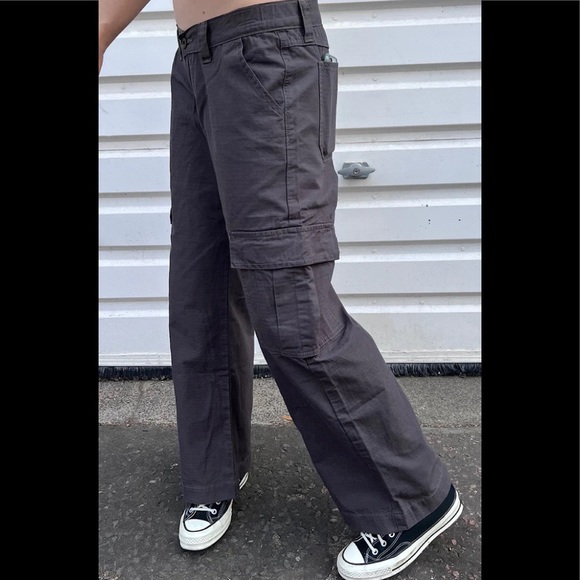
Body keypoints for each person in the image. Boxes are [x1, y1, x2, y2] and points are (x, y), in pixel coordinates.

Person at [99, 1, 464, 578]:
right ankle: (215, 472)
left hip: (266, 49)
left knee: (287, 292)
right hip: (194, 58)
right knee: (201, 285)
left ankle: (412, 499)